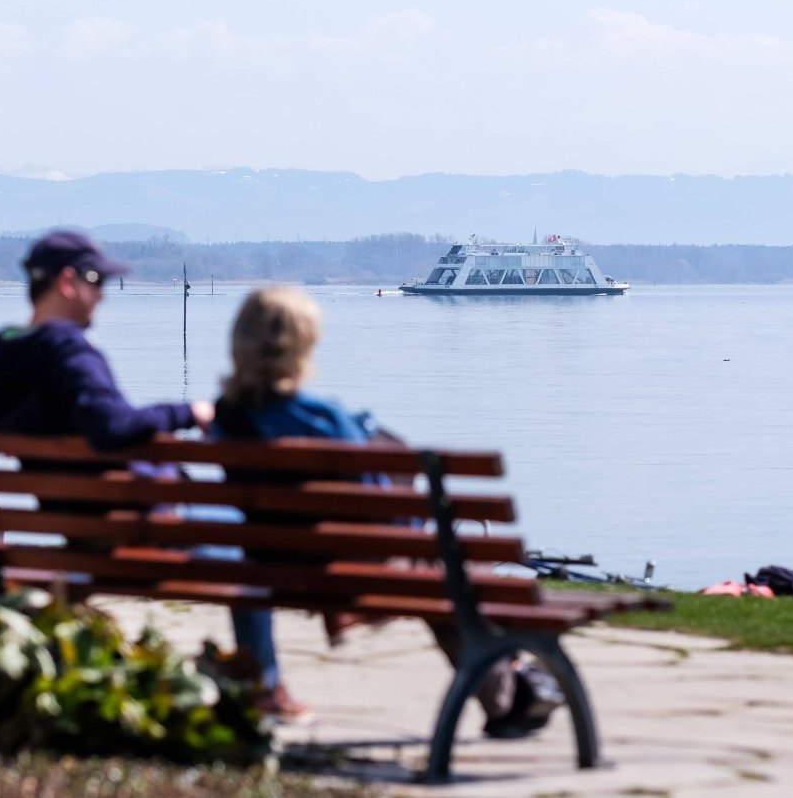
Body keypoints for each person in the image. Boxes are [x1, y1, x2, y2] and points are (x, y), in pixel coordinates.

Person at [210, 287, 556, 736]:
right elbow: (387, 515)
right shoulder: (324, 418)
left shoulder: (226, 418)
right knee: (452, 564)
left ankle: (510, 685)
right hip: (354, 568)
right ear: (304, 345)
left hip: (272, 565)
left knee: (444, 569)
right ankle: (510, 688)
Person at [0, 228, 214, 446]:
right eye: (96, 279)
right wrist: (189, 412)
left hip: (47, 515)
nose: (101, 294)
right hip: (115, 521)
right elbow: (113, 425)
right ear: (67, 281)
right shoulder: (70, 353)